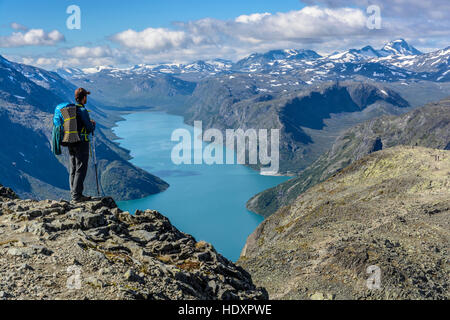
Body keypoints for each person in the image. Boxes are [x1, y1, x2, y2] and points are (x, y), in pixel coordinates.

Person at [69, 88, 96, 202]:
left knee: (73, 168)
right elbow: (89, 128)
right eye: (86, 97)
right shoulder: (82, 111)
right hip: (81, 142)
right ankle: (77, 196)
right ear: (84, 97)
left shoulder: (71, 110)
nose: (86, 99)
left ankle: (74, 194)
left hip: (70, 141)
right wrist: (92, 124)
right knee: (81, 168)